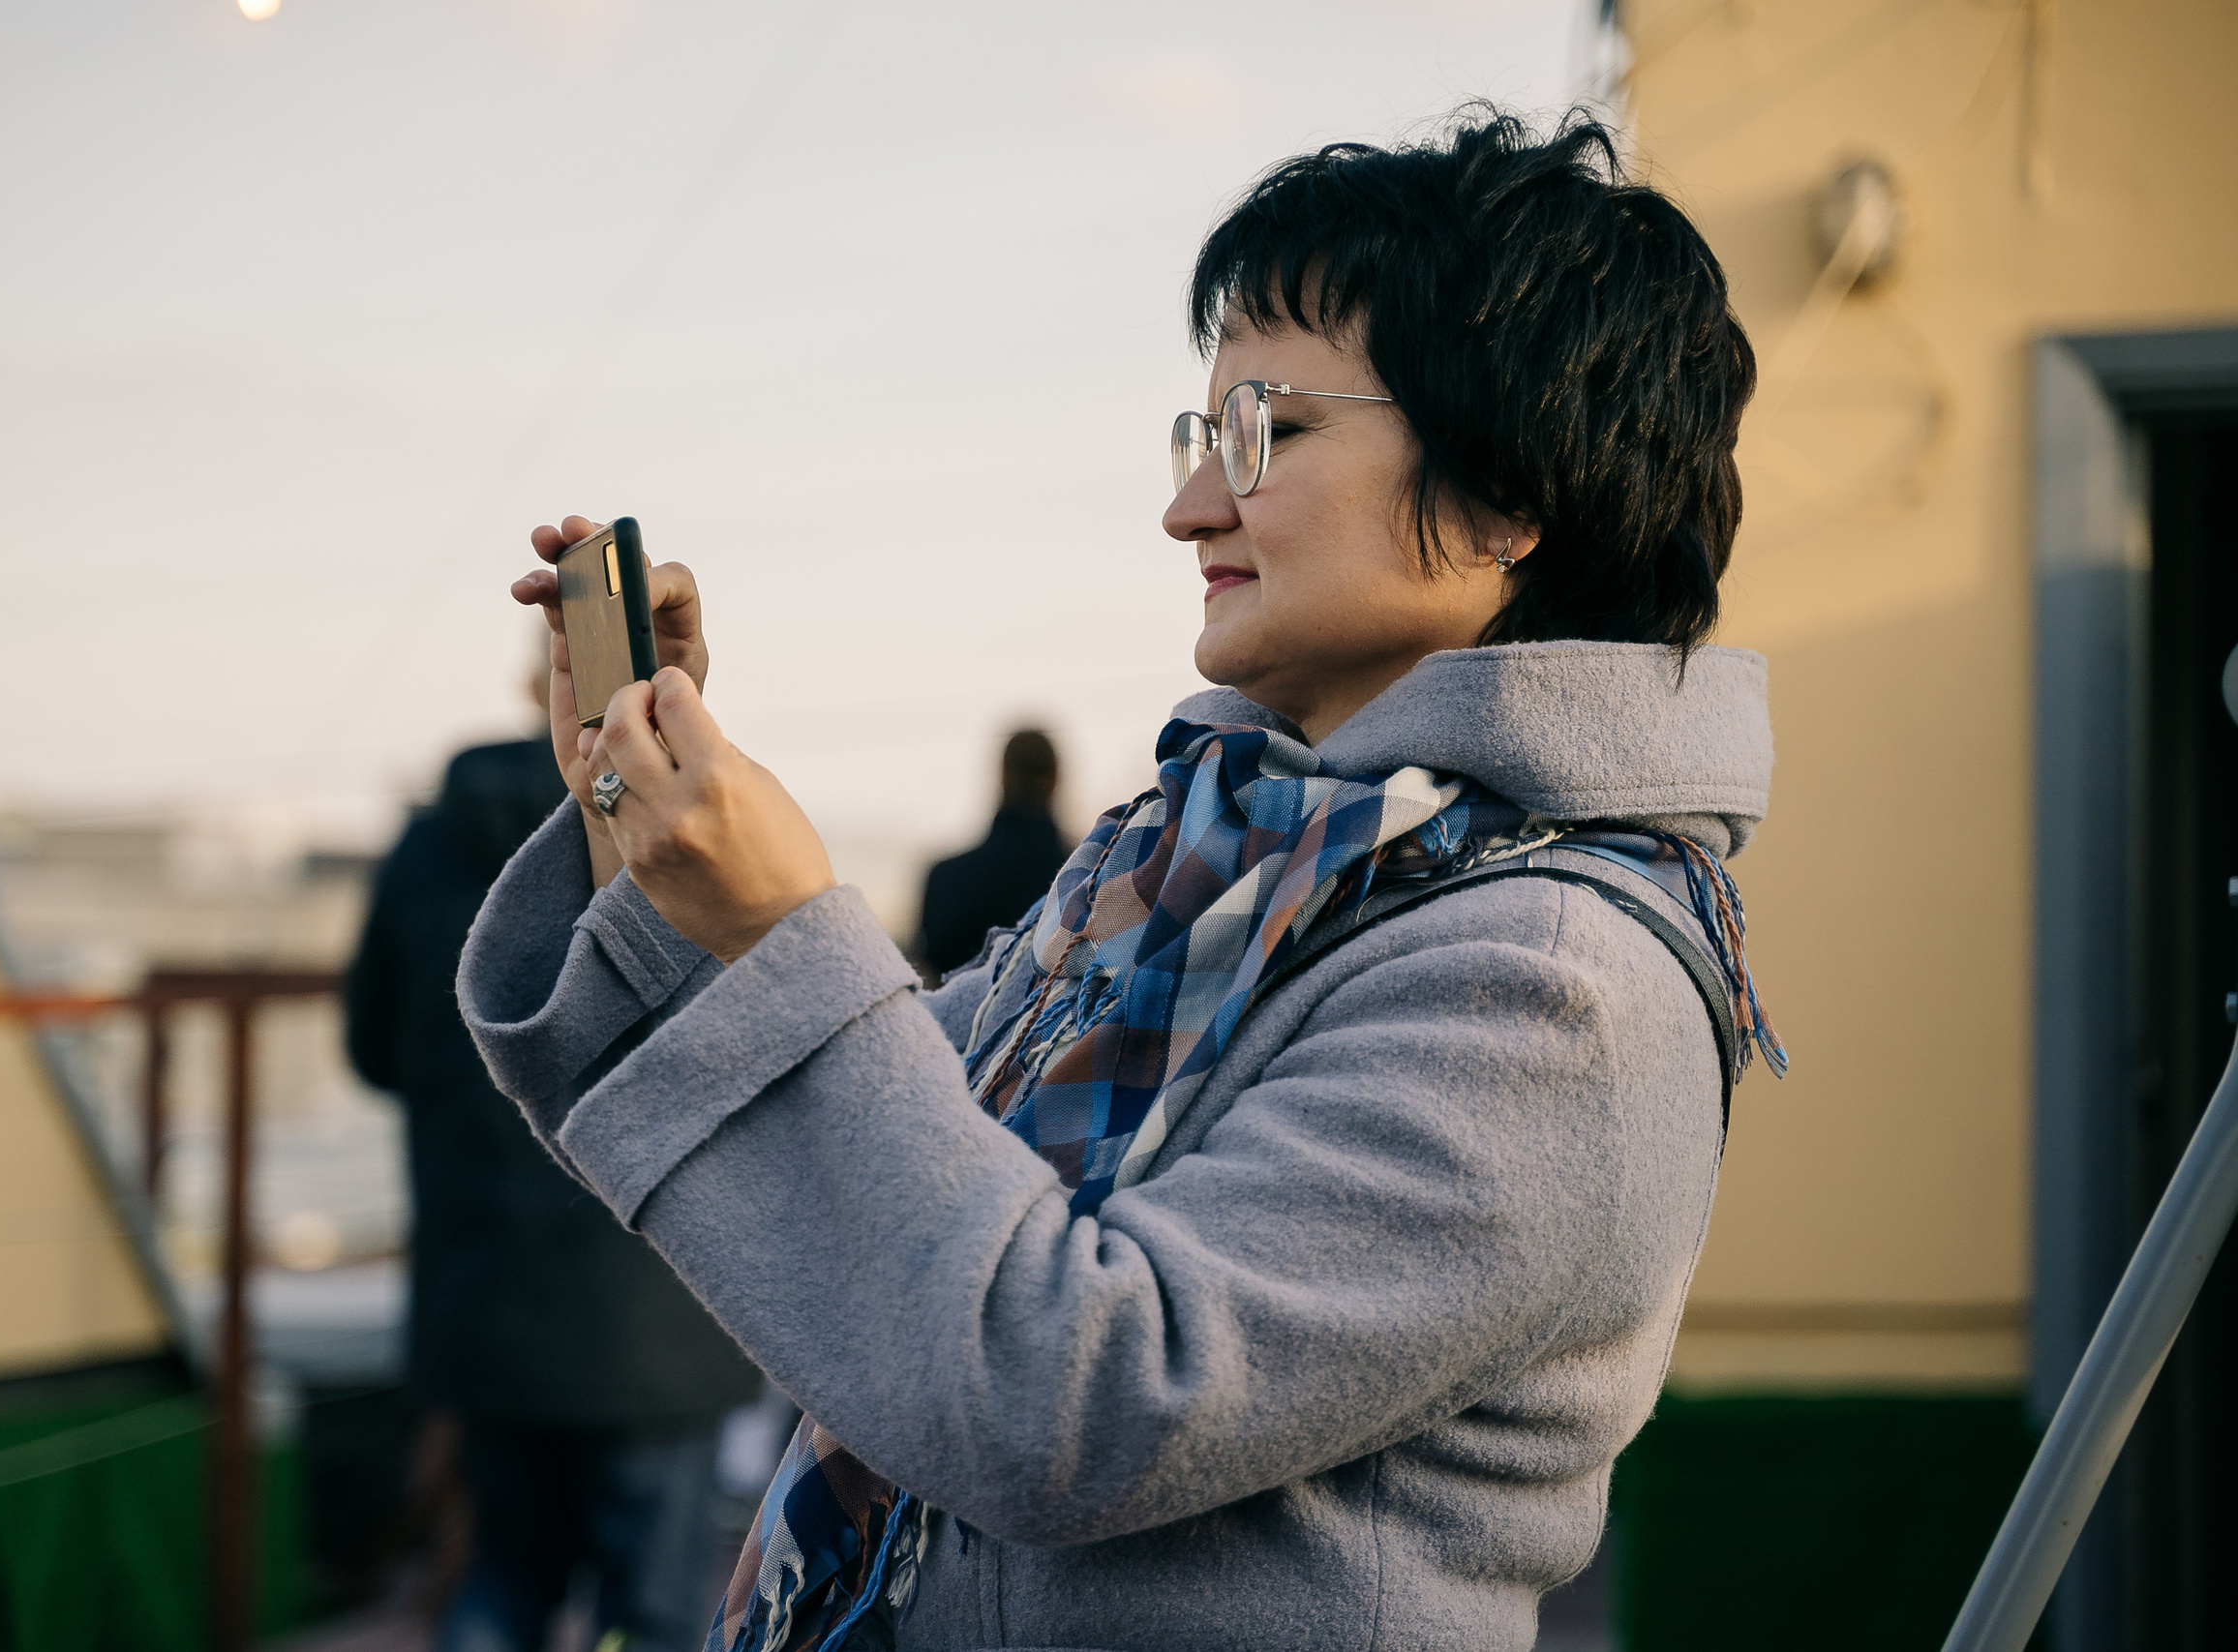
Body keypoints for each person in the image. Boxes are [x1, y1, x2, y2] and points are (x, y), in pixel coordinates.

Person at [462, 109, 1782, 1652]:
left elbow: (1072, 1393)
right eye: (1194, 436)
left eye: (1264, 434)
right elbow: (894, 1183)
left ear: (1506, 497)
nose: (1188, 507)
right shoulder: (1215, 849)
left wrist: (782, 928)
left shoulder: (1558, 981)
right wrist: (650, 828)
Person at [346, 729, 761, 1652]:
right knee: (650, 1613)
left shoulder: (426, 848)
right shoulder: (683, 823)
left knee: (500, 1578)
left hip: (486, 1297)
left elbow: (371, 1047)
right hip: (660, 1313)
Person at [913, 729, 1069, 979]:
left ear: (1003, 778)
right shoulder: (1092, 877)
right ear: (1056, 780)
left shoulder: (946, 879)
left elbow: (931, 972)